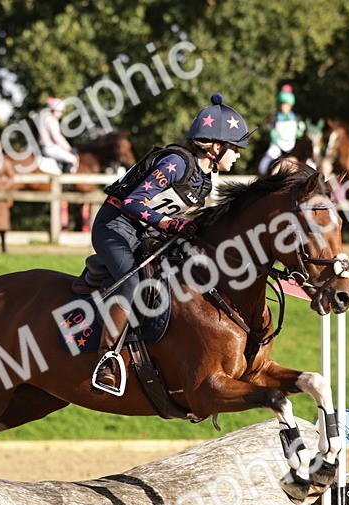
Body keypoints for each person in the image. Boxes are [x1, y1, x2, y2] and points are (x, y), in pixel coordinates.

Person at [91, 91, 251, 394]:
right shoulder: (176, 163)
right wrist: (171, 223)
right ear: (216, 147)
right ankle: (107, 358)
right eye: (235, 148)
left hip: (143, 233)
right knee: (132, 281)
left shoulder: (205, 181)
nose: (238, 155)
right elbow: (132, 203)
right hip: (114, 227)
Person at [258, 84, 306, 176]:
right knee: (264, 164)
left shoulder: (296, 118)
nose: (284, 107)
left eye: (286, 105)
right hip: (276, 147)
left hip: (293, 148)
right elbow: (272, 132)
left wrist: (300, 132)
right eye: (283, 104)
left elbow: (300, 134)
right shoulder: (274, 117)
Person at [37, 97, 78, 173]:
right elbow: (57, 137)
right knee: (73, 159)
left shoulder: (44, 116)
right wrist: (69, 149)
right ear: (56, 110)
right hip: (51, 148)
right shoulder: (51, 119)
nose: (61, 114)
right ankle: (65, 180)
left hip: (44, 147)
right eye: (61, 111)